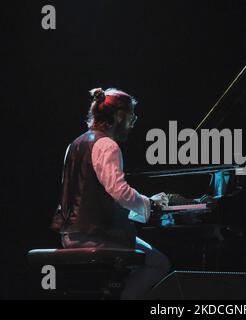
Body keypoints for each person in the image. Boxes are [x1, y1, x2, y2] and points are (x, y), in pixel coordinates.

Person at [51, 87, 171, 299]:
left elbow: (86, 195)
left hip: (71, 235)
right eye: (131, 116)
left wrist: (139, 208)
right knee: (159, 263)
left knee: (137, 261)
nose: (133, 122)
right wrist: (149, 204)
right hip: (97, 236)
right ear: (119, 116)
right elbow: (120, 192)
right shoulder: (107, 145)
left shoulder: (75, 144)